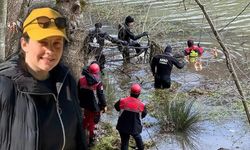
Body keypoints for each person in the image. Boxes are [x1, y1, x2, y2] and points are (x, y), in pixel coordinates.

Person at [0, 3, 87, 150]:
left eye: (57, 43)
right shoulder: (4, 86)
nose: (50, 51)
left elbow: (77, 135)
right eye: (43, 42)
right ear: (24, 44)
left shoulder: (66, 81)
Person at [77, 63, 107, 147]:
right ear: (98, 72)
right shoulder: (98, 83)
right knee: (92, 122)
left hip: (84, 105)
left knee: (87, 118)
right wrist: (104, 105)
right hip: (94, 107)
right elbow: (101, 96)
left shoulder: (81, 80)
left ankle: (80, 132)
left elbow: (78, 93)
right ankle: (91, 140)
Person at [114, 83, 147, 150]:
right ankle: (141, 148)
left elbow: (116, 107)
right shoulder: (142, 105)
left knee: (125, 142)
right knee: (137, 137)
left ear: (130, 92)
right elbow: (143, 115)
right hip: (135, 127)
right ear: (139, 93)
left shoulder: (122, 100)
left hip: (122, 126)